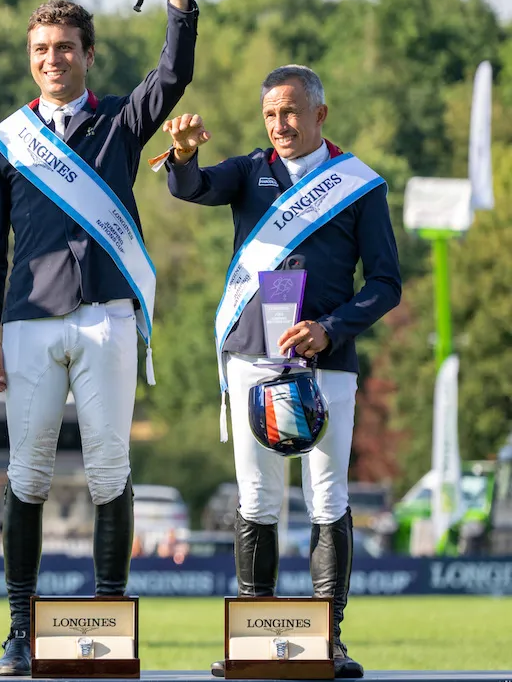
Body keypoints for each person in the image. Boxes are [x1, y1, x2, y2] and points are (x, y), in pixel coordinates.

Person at [0, 0, 209, 676]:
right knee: (27, 476)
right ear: (30, 59)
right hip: (30, 323)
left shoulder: (117, 121)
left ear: (87, 57)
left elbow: (170, 79)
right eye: (41, 51)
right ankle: (17, 629)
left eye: (65, 49)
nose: (52, 60)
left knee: (110, 471)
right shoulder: (8, 141)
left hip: (108, 316)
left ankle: (106, 618)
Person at [160, 65, 401, 679]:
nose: (280, 124)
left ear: (321, 114)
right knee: (257, 497)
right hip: (254, 355)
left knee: (327, 496)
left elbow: (385, 284)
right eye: (270, 114)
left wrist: (333, 328)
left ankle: (329, 640)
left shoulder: (360, 185)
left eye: (291, 113)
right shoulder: (249, 170)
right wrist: (183, 157)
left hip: (327, 360)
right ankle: (253, 635)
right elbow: (192, 188)